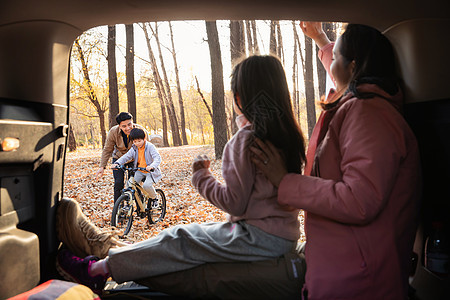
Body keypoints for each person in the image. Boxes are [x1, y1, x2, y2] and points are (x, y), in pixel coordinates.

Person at [56, 55, 307, 294]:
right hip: (281, 237)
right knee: (193, 233)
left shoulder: (245, 141)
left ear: (239, 98)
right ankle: (122, 253)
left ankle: (97, 270)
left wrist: (201, 177)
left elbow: (235, 203)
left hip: (256, 238)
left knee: (181, 238)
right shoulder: (289, 138)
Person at [251, 22, 421, 299]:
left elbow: (359, 199)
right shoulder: (361, 103)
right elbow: (341, 71)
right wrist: (321, 40)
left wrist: (286, 181)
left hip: (359, 282)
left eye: (337, 58)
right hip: (345, 267)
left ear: (353, 67)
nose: (332, 65)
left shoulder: (369, 114)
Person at [95, 112, 149, 202]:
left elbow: (147, 150)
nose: (128, 128)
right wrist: (102, 167)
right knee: (118, 183)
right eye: (124, 126)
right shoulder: (113, 132)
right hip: (119, 159)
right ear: (119, 126)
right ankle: (118, 210)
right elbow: (107, 149)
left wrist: (146, 166)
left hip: (135, 159)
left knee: (134, 183)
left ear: (132, 122)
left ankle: (141, 209)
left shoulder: (140, 131)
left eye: (129, 124)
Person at [111, 128, 162, 200]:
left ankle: (154, 199)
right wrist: (117, 163)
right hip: (139, 171)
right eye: (135, 141)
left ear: (144, 138)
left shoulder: (150, 147)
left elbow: (157, 158)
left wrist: (152, 166)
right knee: (130, 185)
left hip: (150, 172)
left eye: (139, 141)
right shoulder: (134, 148)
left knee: (146, 186)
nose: (137, 143)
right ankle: (129, 204)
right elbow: (127, 156)